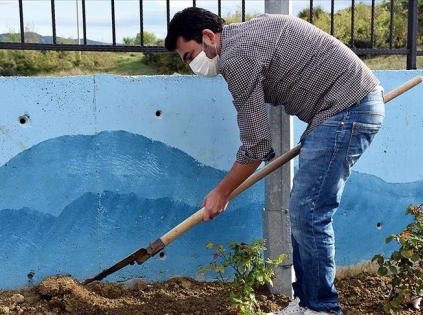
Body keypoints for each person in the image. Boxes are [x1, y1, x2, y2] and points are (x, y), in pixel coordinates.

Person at [165, 7, 385, 315]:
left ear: (208, 37)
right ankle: (307, 302)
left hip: (347, 108)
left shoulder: (236, 57)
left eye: (190, 56)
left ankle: (321, 307)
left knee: (310, 211)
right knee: (303, 210)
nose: (193, 66)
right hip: (342, 107)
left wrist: (222, 191)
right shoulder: (250, 33)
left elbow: (257, 144)